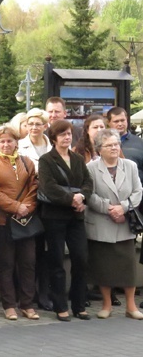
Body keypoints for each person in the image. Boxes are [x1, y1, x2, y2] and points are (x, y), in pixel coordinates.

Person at [38, 119, 93, 322]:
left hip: (76, 216)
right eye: (62, 134)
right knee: (57, 260)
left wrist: (82, 197)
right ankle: (60, 305)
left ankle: (79, 304)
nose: (67, 137)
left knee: (80, 258)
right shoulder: (46, 160)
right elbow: (48, 187)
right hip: (54, 216)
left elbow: (88, 182)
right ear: (54, 138)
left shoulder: (77, 159)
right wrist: (72, 199)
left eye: (69, 134)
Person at [0, 126, 39, 321]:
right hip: (4, 221)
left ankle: (27, 304)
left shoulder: (27, 162)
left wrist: (27, 207)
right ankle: (9, 305)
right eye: (2, 141)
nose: (6, 145)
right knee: (6, 263)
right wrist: (15, 207)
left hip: (26, 220)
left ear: (16, 142)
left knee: (28, 262)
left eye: (10, 141)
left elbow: (34, 186)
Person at [85, 129, 143, 320]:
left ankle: (131, 306)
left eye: (117, 144)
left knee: (128, 266)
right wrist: (109, 208)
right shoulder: (91, 168)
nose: (114, 148)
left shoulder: (130, 166)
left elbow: (138, 191)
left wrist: (123, 208)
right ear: (99, 148)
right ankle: (107, 305)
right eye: (109, 145)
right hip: (102, 222)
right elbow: (89, 194)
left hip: (125, 222)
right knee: (104, 267)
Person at [17, 107, 52, 312]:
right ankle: (27, 294)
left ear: (45, 126)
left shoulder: (52, 146)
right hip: (29, 202)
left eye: (38, 124)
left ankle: (44, 293)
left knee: (46, 251)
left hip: (50, 204)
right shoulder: (20, 146)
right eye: (30, 124)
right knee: (30, 251)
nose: (34, 127)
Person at [107, 106, 143, 183]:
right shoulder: (102, 143)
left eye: (122, 120)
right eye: (116, 121)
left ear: (127, 120)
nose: (120, 124)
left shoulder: (140, 143)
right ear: (108, 123)